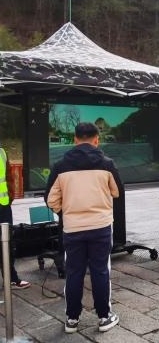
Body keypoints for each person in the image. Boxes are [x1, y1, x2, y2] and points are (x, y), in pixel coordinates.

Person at [45, 122, 123, 334]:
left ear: (75, 139)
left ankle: (72, 319)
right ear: (97, 140)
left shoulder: (60, 166)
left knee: (74, 272)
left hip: (73, 229)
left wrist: (67, 212)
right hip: (100, 227)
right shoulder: (107, 163)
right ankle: (104, 317)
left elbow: (51, 199)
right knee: (100, 270)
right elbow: (117, 191)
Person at [0, 144, 31, 290]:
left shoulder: (1, 152)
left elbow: (8, 177)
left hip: (3, 206)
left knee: (7, 243)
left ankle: (11, 278)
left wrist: (10, 195)